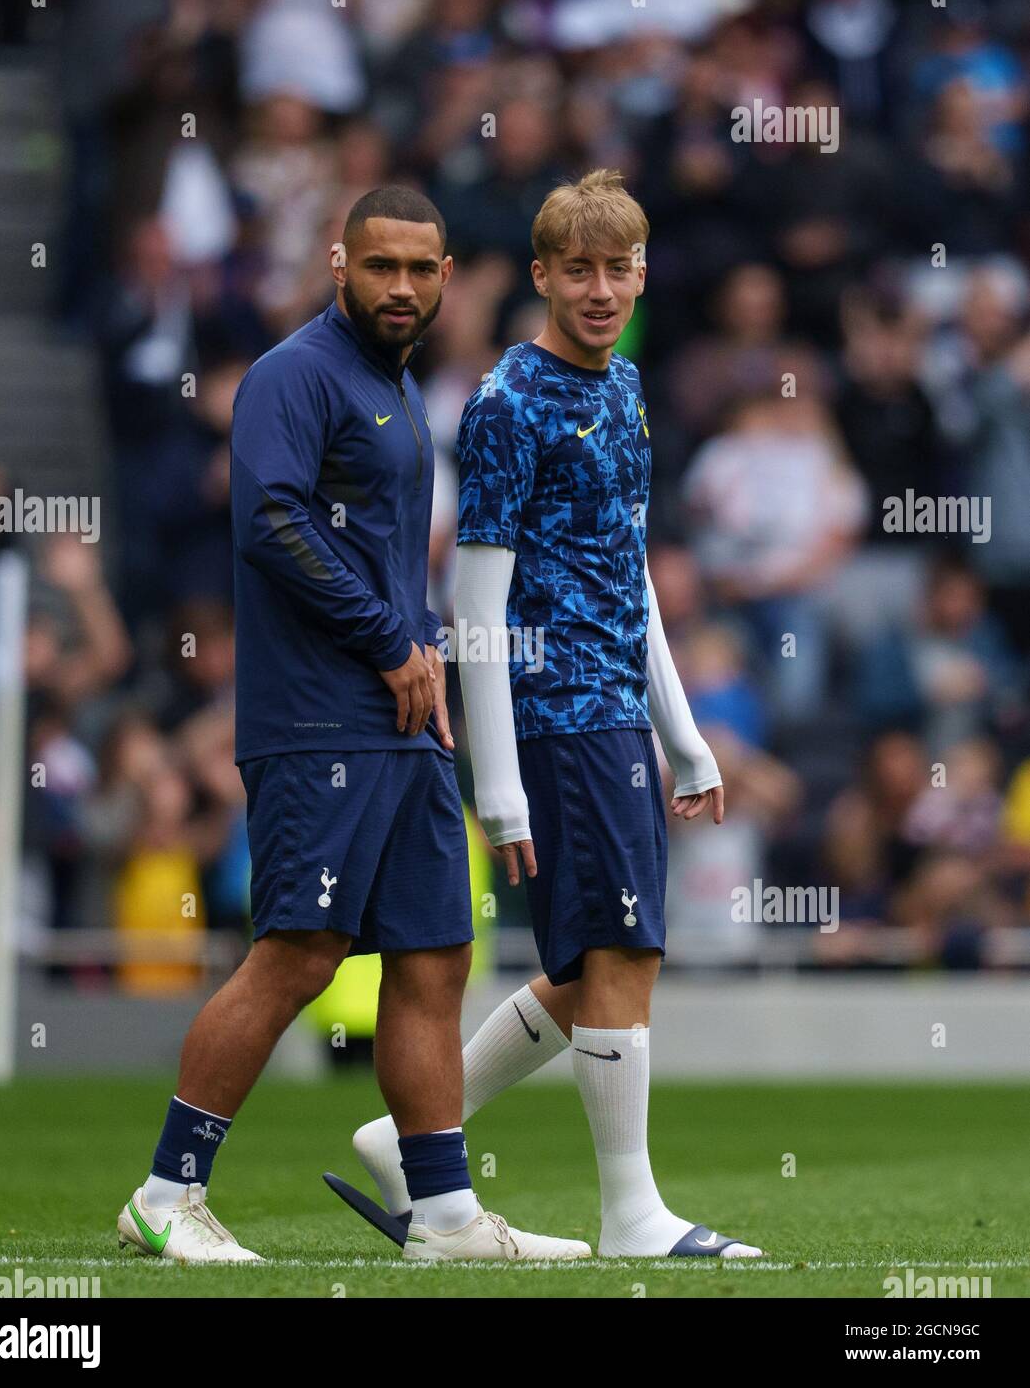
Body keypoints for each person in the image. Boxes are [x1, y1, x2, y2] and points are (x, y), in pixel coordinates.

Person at [117, 186, 589, 1264]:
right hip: (315, 716)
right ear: (339, 264)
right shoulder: (294, 375)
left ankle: (443, 1214)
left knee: (433, 955)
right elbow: (269, 519)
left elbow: (378, 552)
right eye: (383, 267)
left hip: (401, 720)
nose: (404, 287)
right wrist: (389, 639)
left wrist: (418, 658)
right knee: (298, 953)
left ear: (446, 279)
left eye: (424, 270)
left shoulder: (393, 385)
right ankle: (165, 1191)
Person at [353, 170, 763, 1258]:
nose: (598, 289)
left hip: (616, 712)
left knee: (591, 967)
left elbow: (629, 577)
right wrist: (499, 785)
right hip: (556, 717)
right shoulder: (504, 404)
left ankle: (405, 1146)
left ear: (640, 274)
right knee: (621, 954)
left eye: (617, 268)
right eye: (575, 269)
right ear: (539, 275)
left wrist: (681, 736)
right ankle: (632, 1216)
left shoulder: (623, 389)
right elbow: (472, 607)